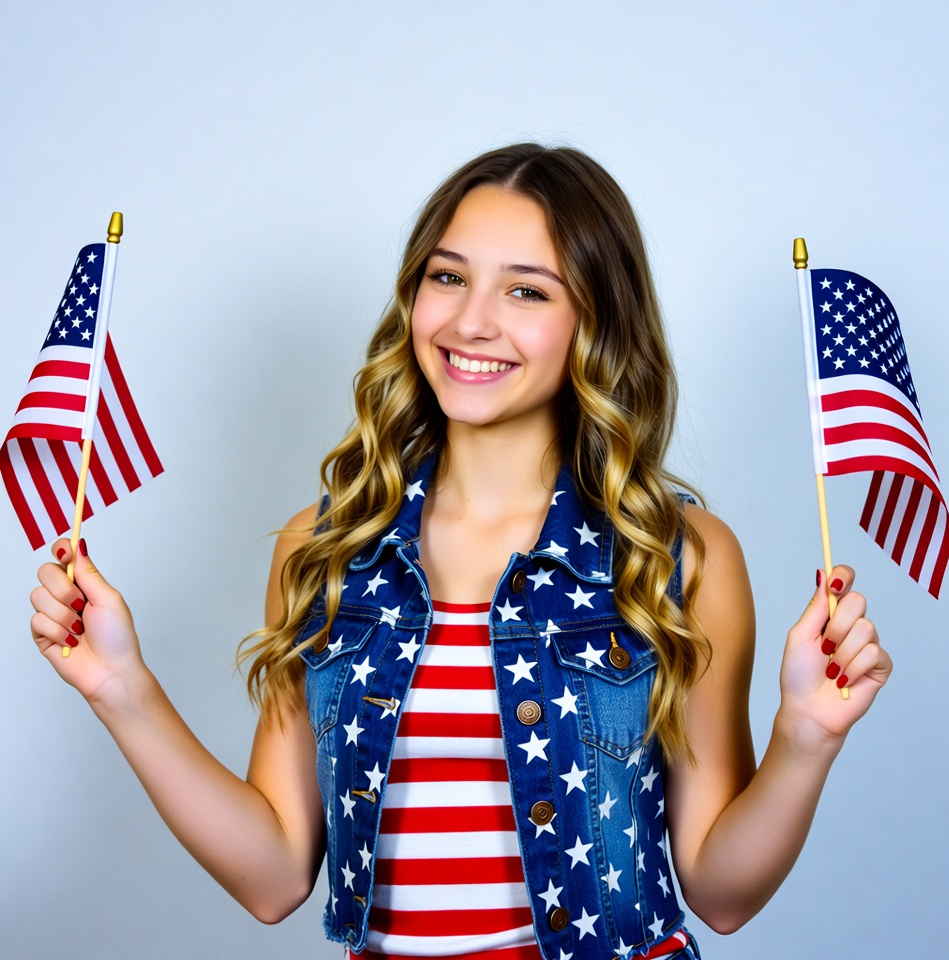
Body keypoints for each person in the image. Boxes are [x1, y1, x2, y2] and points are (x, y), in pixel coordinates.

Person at [29, 143, 891, 960]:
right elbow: (275, 874)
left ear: (595, 321)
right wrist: (121, 688)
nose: (472, 322)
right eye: (448, 277)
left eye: (527, 292)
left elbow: (722, 890)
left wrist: (805, 736)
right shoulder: (323, 550)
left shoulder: (677, 556)